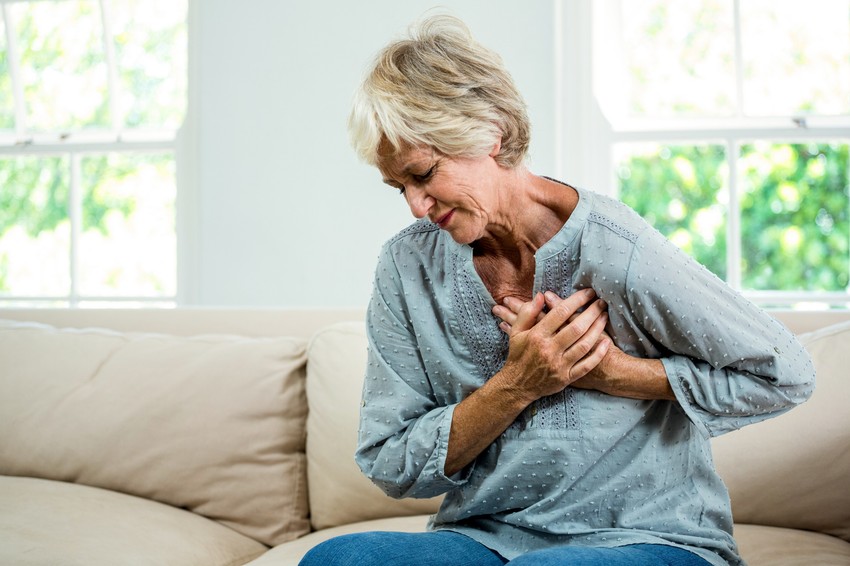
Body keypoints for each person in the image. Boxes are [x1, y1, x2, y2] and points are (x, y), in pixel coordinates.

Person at [300, 14, 815, 566]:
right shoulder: (407, 267)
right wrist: (518, 384)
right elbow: (391, 462)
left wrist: (615, 373)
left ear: (489, 133)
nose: (415, 207)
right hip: (482, 539)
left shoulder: (617, 249)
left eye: (423, 174)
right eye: (397, 186)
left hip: (645, 536)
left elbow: (784, 373)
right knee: (336, 561)